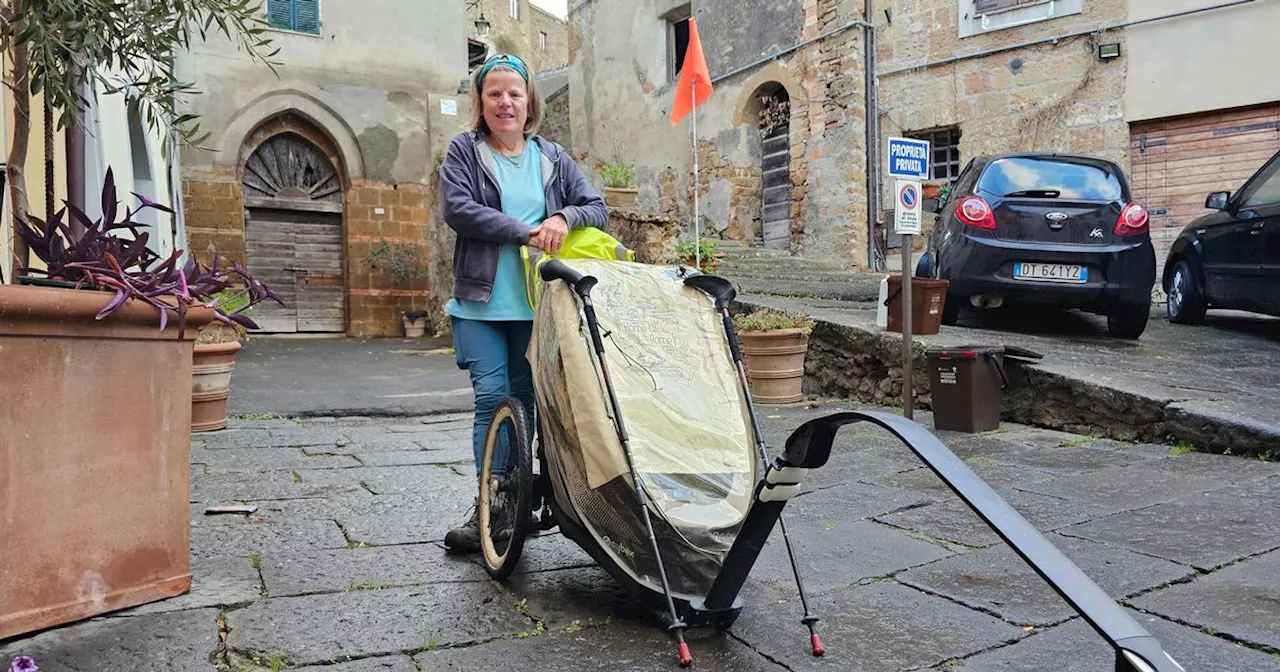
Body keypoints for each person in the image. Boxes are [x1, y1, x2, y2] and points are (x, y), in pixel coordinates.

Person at [437, 52, 608, 554]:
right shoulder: (465, 151)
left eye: (514, 93)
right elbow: (459, 210)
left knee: (529, 403)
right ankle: (489, 508)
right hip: (482, 302)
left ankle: (520, 501)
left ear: (529, 100)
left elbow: (595, 207)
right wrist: (526, 232)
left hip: (541, 305)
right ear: (482, 102)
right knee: (492, 399)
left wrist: (564, 218)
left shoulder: (553, 157)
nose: (505, 102)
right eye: (495, 94)